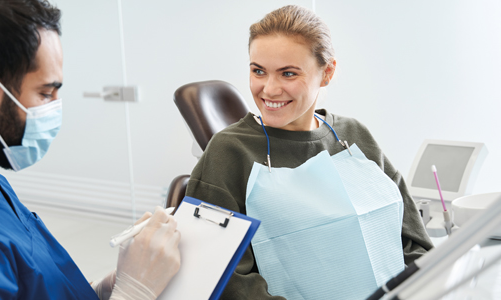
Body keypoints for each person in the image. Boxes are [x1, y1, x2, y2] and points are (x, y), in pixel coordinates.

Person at [0, 0, 180, 299]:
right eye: (45, 93)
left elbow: (37, 286)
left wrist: (110, 287)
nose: (54, 109)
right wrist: (135, 293)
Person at [185, 5, 433, 300]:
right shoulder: (229, 151)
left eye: (288, 73)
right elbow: (222, 278)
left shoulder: (354, 136)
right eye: (258, 71)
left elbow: (414, 243)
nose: (269, 89)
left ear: (327, 73)